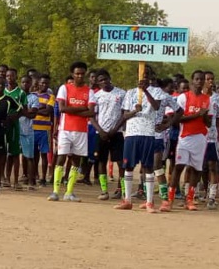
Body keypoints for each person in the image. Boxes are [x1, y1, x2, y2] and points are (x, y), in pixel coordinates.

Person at [116, 72, 181, 212]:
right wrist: (134, 111)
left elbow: (161, 108)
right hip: (132, 133)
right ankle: (128, 199)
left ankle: (160, 201)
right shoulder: (130, 93)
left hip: (152, 134)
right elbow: (125, 115)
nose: (145, 79)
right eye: (142, 77)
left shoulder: (158, 92)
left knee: (153, 167)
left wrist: (166, 125)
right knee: (130, 167)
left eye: (148, 77)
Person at [48, 62, 95, 202]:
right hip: (65, 129)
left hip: (81, 131)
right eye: (77, 73)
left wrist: (72, 108)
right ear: (73, 74)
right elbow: (62, 109)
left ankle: (69, 192)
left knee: (76, 161)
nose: (79, 76)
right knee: (61, 158)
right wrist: (82, 109)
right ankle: (55, 191)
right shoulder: (65, 88)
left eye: (82, 73)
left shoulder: (89, 91)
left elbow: (91, 112)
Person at [169, 71, 212, 211]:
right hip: (185, 137)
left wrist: (204, 115)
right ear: (192, 81)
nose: (200, 81)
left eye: (202, 79)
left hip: (200, 138)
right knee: (179, 167)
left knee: (196, 169)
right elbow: (177, 119)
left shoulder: (207, 99)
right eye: (197, 79)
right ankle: (169, 199)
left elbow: (209, 123)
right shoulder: (183, 97)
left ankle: (190, 199)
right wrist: (196, 115)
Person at [90, 69, 126, 200]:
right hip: (101, 133)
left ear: (110, 78)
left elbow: (124, 114)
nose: (104, 82)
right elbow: (92, 116)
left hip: (116, 133)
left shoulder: (121, 93)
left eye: (106, 79)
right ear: (98, 83)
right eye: (101, 80)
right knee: (101, 161)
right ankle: (104, 190)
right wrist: (100, 131)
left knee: (121, 162)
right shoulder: (96, 96)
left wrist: (115, 129)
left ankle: (122, 190)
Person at [202, 71, 219, 209]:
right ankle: (201, 192)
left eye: (212, 79)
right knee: (199, 167)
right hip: (198, 136)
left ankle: (212, 197)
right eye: (207, 79)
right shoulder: (199, 97)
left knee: (212, 166)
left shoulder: (218, 98)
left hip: (212, 137)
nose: (210, 81)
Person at [2, 68, 25, 190]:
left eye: (12, 75)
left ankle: (16, 181)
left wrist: (15, 116)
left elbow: (23, 110)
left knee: (15, 153)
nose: (9, 77)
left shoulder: (20, 93)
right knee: (4, 153)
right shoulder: (2, 91)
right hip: (3, 125)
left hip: (14, 125)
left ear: (16, 77)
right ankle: (5, 178)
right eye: (7, 75)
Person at [32, 74, 55, 187]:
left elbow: (48, 112)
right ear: (38, 83)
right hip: (32, 128)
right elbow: (28, 110)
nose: (44, 85)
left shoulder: (50, 97)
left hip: (45, 129)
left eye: (46, 83)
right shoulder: (32, 95)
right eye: (42, 83)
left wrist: (36, 110)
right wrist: (41, 108)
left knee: (44, 154)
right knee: (34, 154)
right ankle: (34, 175)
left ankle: (43, 178)